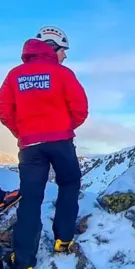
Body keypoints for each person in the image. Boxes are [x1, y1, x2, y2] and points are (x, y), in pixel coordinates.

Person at [0, 26, 88, 269]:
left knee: (30, 199)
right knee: (69, 185)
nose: (65, 56)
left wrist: (24, 132)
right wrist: (63, 128)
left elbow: (4, 111)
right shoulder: (63, 74)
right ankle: (63, 240)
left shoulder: (14, 75)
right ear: (52, 47)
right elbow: (80, 109)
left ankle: (24, 260)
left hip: (30, 146)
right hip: (61, 142)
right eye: (63, 50)